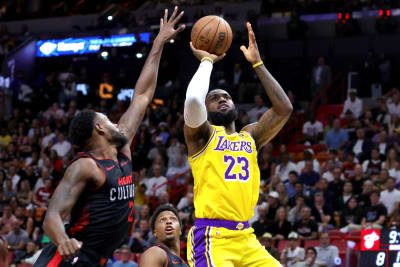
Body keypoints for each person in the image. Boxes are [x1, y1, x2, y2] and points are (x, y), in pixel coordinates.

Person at [34, 7, 185, 267]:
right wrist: (62, 240)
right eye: (107, 120)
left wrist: (159, 42)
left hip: (97, 259)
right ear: (99, 129)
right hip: (69, 257)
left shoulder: (122, 147)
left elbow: (142, 96)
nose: (115, 122)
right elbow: (52, 216)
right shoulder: (85, 166)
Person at [184, 22, 292, 266]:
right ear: (206, 110)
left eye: (227, 97)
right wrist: (207, 62)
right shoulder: (202, 136)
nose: (222, 99)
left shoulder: (250, 136)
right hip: (213, 237)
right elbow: (192, 100)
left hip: (246, 236)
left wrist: (258, 63)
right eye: (214, 98)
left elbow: (284, 108)